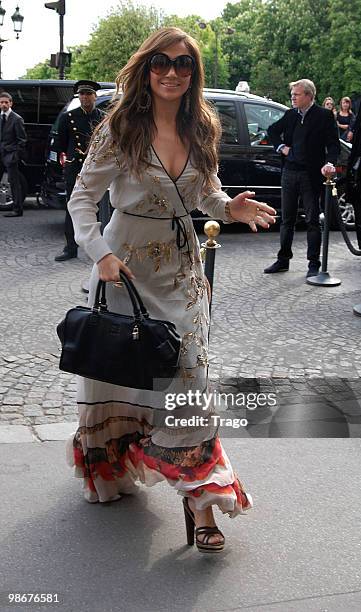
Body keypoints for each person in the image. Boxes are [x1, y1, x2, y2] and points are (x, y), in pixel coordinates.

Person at [66, 27, 276, 553]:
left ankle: (202, 500)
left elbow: (205, 193)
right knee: (124, 372)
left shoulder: (202, 125)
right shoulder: (119, 128)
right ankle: (115, 469)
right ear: (146, 66)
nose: (172, 72)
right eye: (161, 61)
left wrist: (230, 208)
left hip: (182, 274)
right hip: (125, 271)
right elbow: (80, 202)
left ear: (193, 73)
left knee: (192, 382)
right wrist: (102, 256)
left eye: (184, 64)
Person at [264, 79, 340, 278]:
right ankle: (283, 260)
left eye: (296, 94)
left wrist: (329, 162)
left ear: (308, 95)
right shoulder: (290, 115)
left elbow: (333, 145)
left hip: (311, 175)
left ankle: (313, 263)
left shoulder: (324, 116)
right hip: (289, 173)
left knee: (312, 220)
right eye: (292, 94)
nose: (292, 98)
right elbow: (272, 130)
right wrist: (281, 147)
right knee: (286, 220)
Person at [54, 80, 104, 261]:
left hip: (97, 168)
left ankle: (98, 249)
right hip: (74, 167)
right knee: (72, 206)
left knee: (97, 208)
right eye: (82, 94)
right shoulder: (69, 117)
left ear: (94, 96)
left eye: (88, 94)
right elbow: (60, 143)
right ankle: (70, 248)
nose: (85, 97)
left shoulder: (103, 117)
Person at [0, 92, 27, 218]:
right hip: (1, 154)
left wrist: (14, 155)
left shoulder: (17, 119)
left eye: (6, 102)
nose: (4, 104)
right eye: (1, 102)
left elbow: (22, 140)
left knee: (14, 182)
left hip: (10, 155)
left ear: (11, 103)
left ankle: (17, 209)